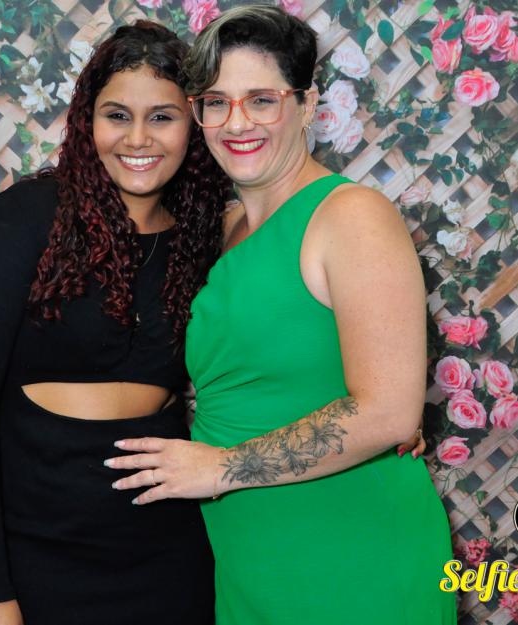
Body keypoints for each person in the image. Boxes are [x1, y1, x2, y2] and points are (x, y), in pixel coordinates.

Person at [104, 6, 457, 625]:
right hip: (250, 559)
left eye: (262, 100)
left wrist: (222, 467)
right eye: (216, 103)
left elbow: (389, 413)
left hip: (352, 551)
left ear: (307, 103)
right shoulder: (219, 231)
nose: (237, 123)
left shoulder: (350, 215)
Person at [0, 21, 230, 625]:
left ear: (193, 124)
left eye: (162, 117)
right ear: (87, 122)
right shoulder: (25, 218)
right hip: (39, 552)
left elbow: (271, 352)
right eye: (118, 115)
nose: (138, 138)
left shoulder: (205, 236)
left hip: (168, 556)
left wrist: (381, 414)